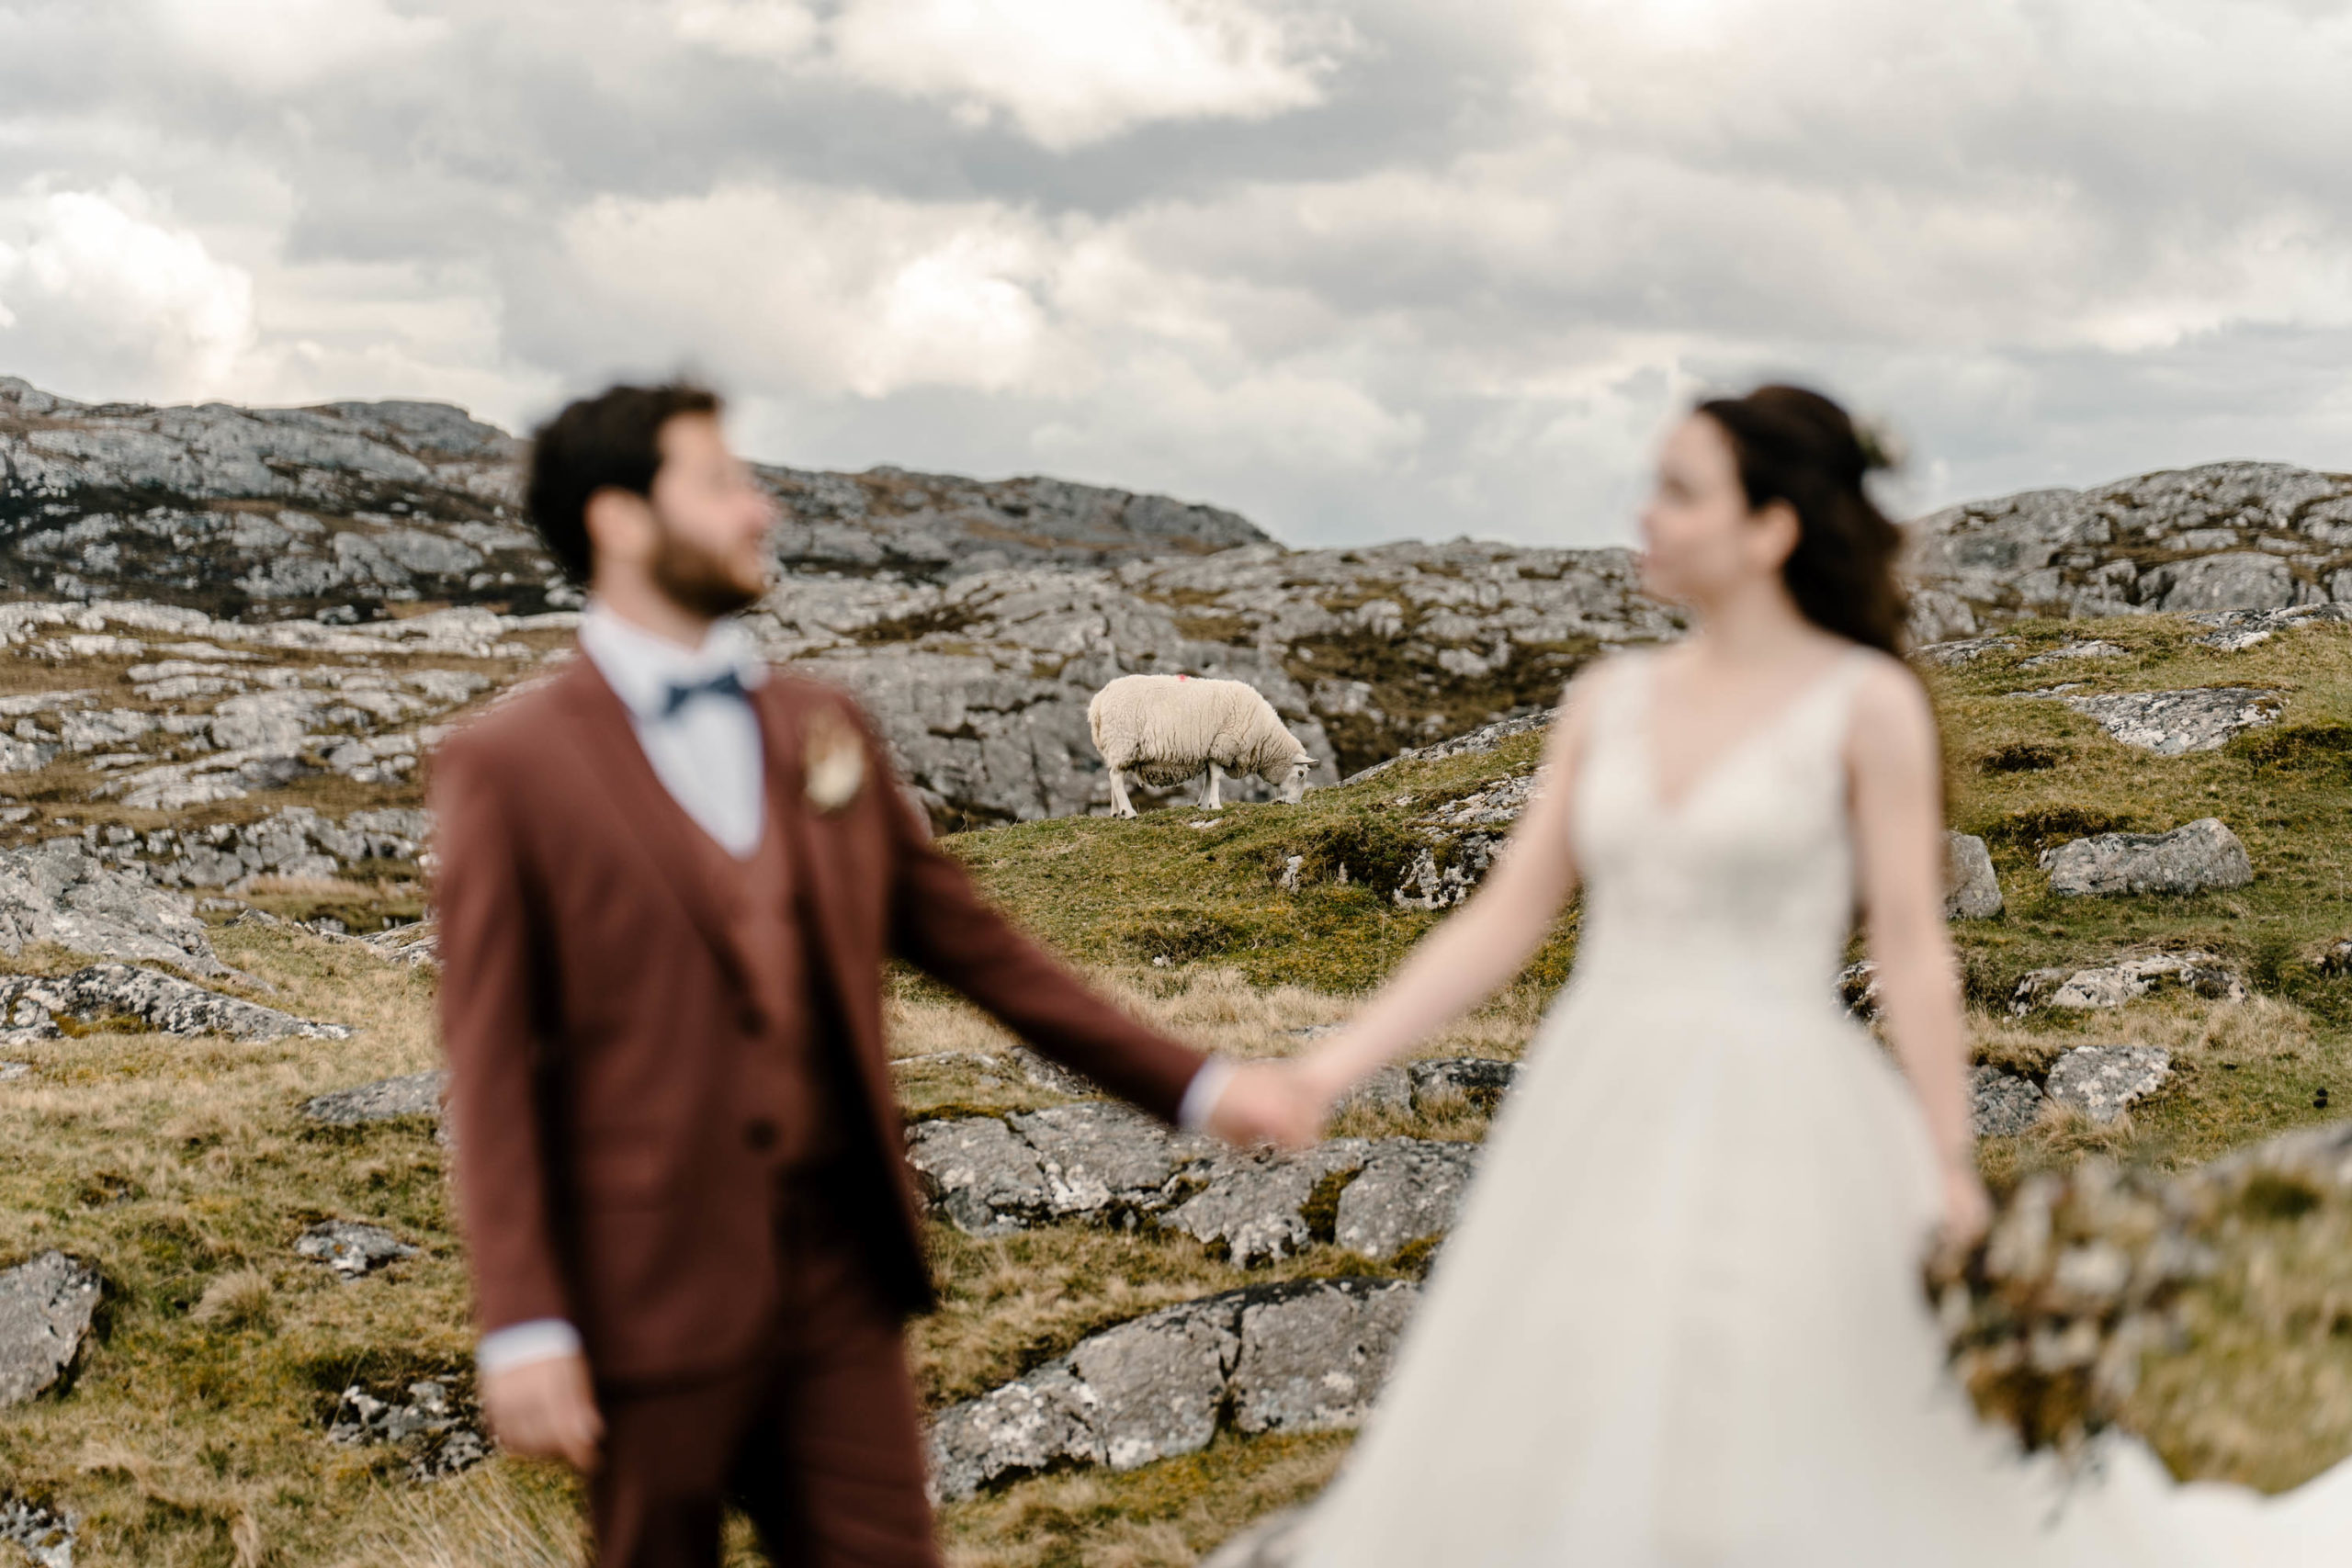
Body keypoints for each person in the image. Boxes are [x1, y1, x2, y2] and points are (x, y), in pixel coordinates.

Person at [1256, 385, 2352, 1565]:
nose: (1646, 515)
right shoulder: (1604, 704)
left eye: (1680, 491)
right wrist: (1327, 1067)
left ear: (1771, 528)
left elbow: (1910, 947)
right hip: (1596, 1094)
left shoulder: (1865, 706)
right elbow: (1503, 921)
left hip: (1783, 1102)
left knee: (1789, 1407)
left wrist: (1945, 1167)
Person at [428, 381, 1295, 1568]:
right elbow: (491, 1055)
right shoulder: (510, 767)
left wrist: (1201, 1086)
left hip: (843, 1282)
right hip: (643, 1297)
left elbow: (985, 954)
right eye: (725, 483)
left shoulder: (821, 724)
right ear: (623, 521)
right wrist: (522, 1317)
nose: (762, 506)